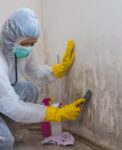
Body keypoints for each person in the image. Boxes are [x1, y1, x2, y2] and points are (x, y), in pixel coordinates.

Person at [0, 8, 85, 150]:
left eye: (32, 44)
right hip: (4, 100)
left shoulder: (22, 49)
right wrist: (55, 113)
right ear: (11, 37)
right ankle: (6, 135)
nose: (29, 48)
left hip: (3, 99)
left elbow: (36, 74)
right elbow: (13, 107)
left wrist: (58, 69)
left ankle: (8, 129)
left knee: (30, 90)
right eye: (26, 44)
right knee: (5, 142)